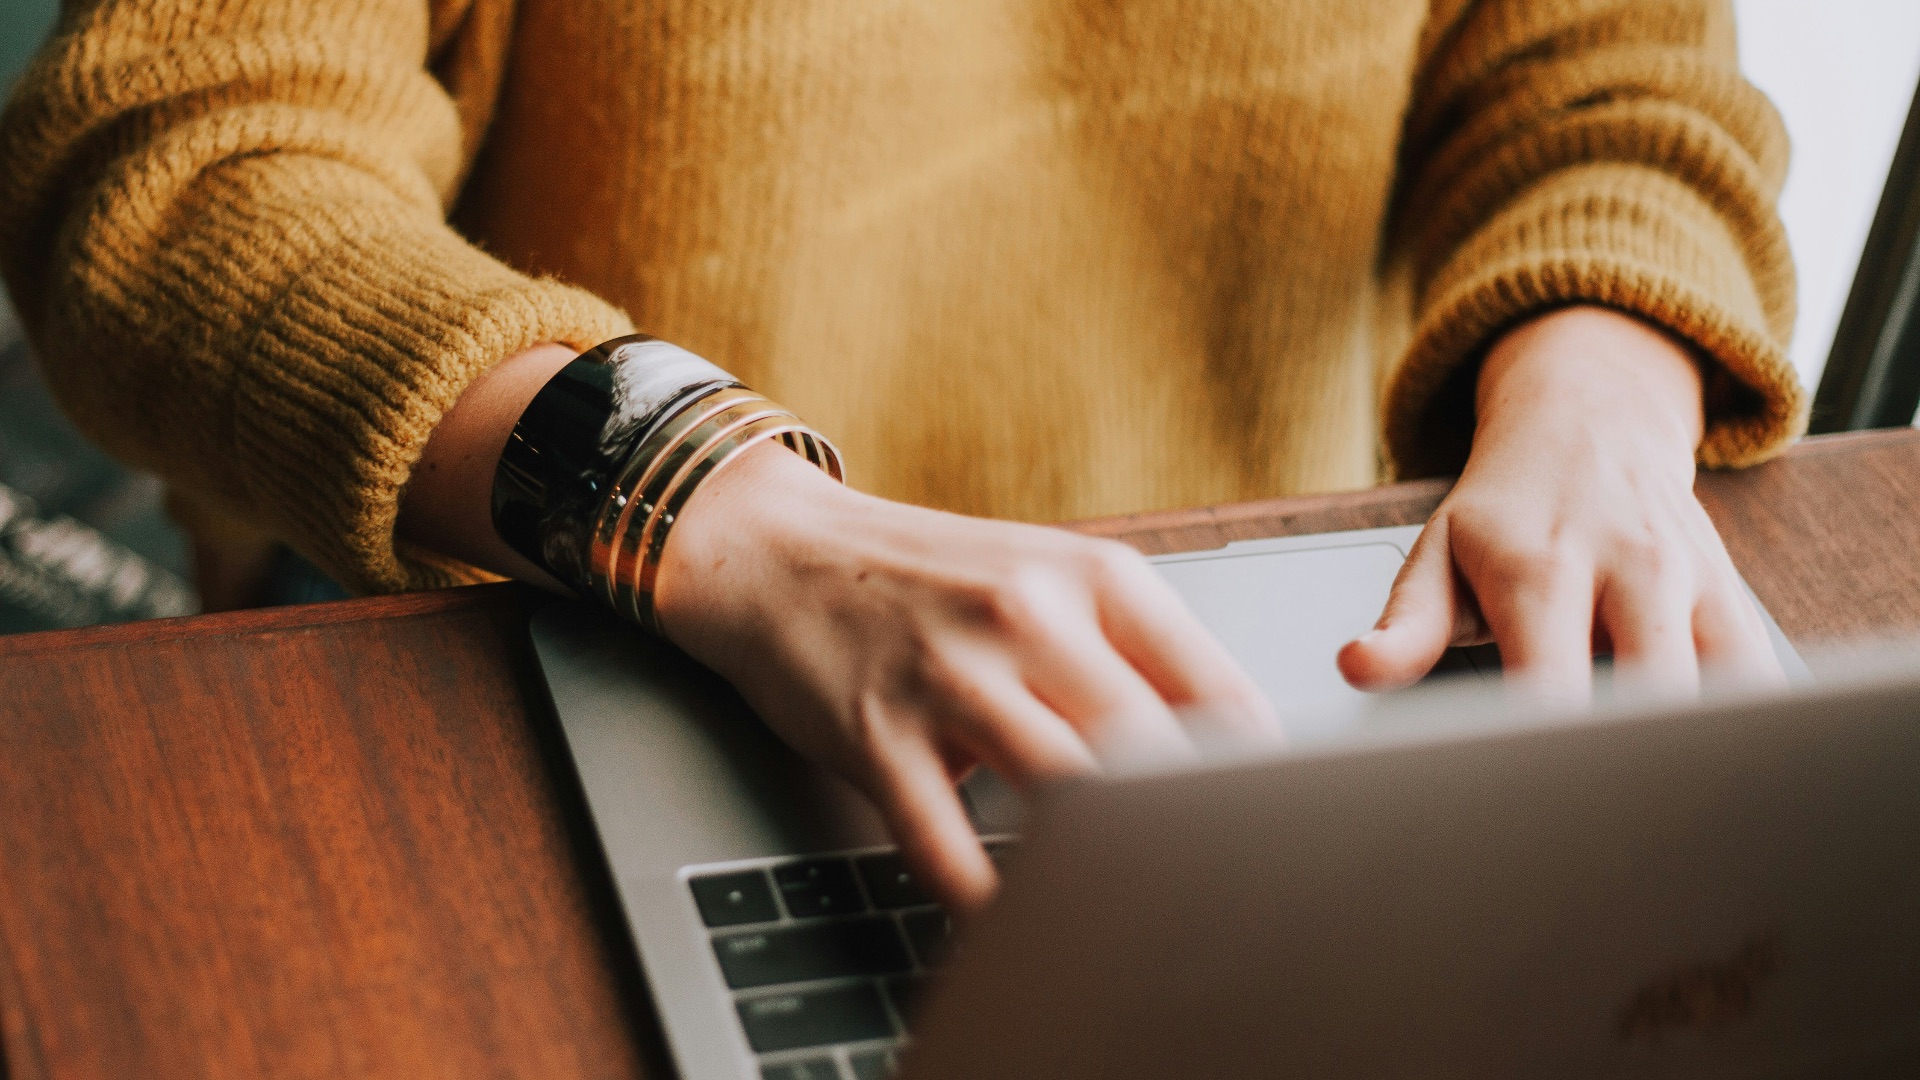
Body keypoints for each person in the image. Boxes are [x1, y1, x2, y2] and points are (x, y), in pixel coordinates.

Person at [0, 0, 1802, 910]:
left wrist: (1603, 391)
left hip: (1251, 676)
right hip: (566, 618)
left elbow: (1615, 76)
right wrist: (713, 499)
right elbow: (178, 158)